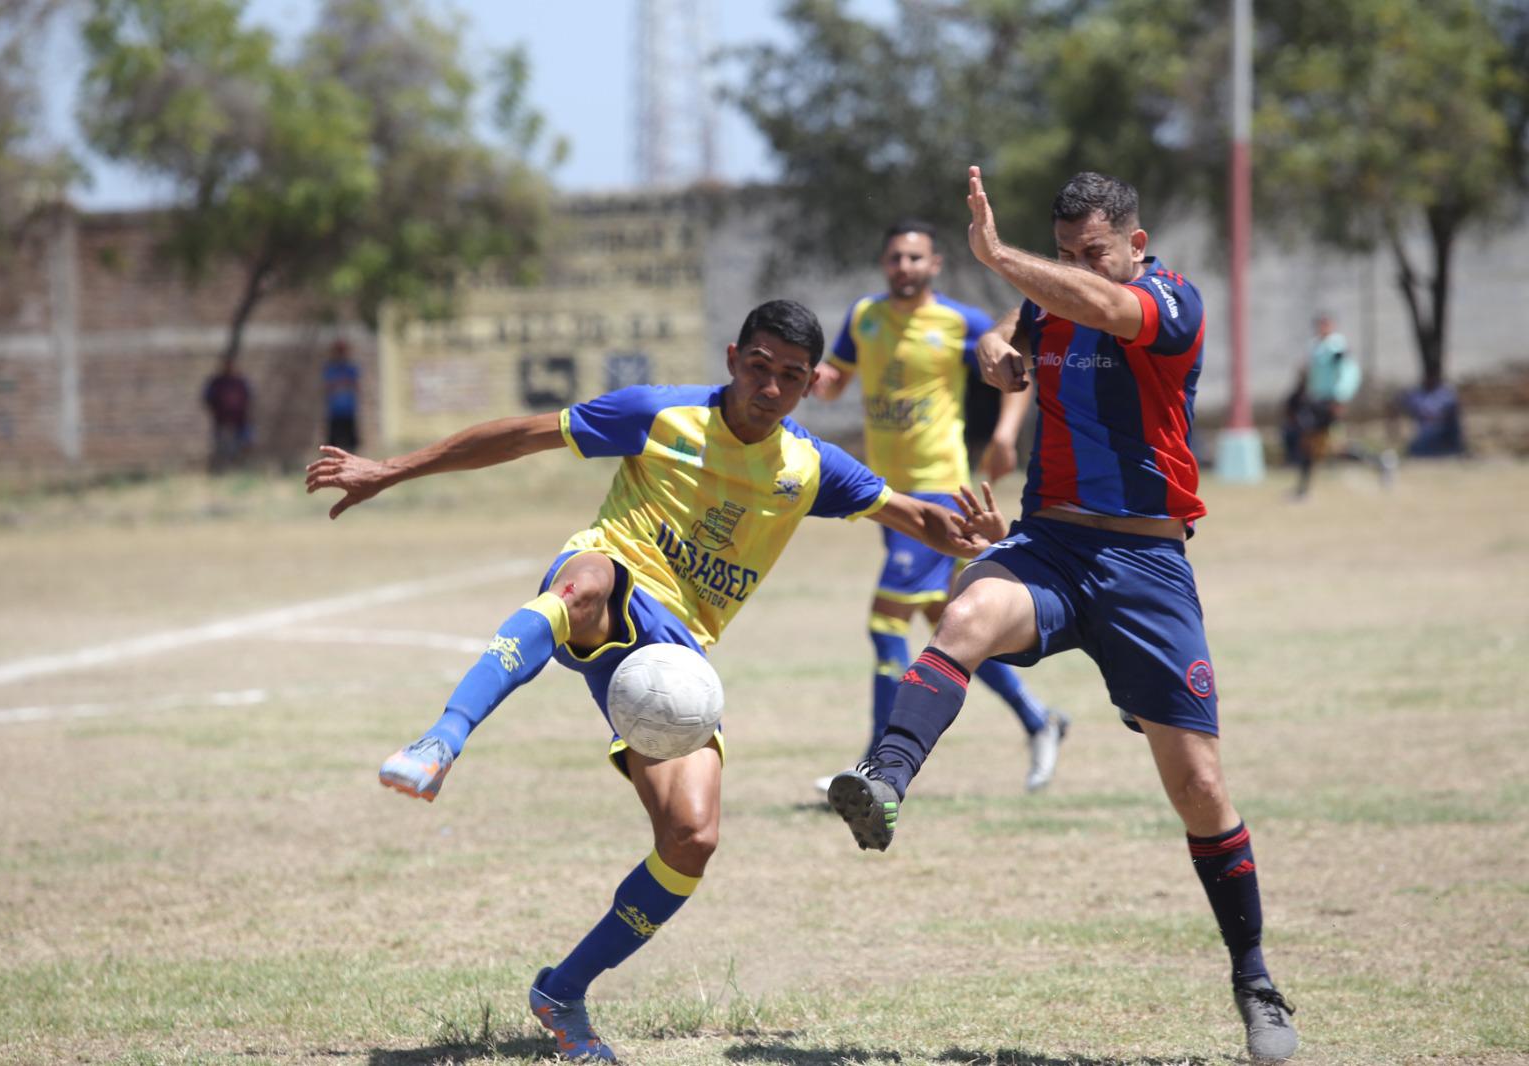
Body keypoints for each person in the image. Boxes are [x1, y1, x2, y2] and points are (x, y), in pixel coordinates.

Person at [305, 299, 1004, 1063]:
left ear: (808, 387)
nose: (768, 387)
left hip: (674, 666)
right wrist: (392, 469)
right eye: (759, 367)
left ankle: (561, 992)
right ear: (734, 356)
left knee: (692, 837)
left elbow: (909, 514)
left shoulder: (807, 469)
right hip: (615, 579)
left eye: (789, 377)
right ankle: (441, 740)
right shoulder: (656, 415)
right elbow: (521, 434)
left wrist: (972, 536)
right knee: (581, 586)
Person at [825, 169, 1299, 1063]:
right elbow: (1016, 332)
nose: (1084, 267)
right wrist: (996, 351)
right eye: (1070, 252)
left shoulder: (1171, 301)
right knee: (961, 617)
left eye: (1097, 252)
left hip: (1145, 565)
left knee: (1198, 788)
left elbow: (1103, 311)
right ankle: (882, 783)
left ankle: (1255, 980)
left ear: (1136, 244)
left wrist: (1000, 259)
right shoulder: (1051, 303)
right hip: (1048, 546)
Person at [809, 219, 1068, 794]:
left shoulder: (959, 321)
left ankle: (876, 764)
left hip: (936, 491)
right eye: (895, 257)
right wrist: (815, 378)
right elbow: (836, 381)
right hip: (883, 493)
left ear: (936, 264)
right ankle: (1039, 719)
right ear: (884, 263)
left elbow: (1014, 368)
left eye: (915, 257)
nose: (905, 267)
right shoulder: (863, 318)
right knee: (948, 626)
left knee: (885, 620)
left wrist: (1005, 436)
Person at [1290, 313, 1364, 497]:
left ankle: (1302, 490)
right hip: (1316, 401)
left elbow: (1349, 372)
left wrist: (1340, 397)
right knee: (1318, 443)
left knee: (1323, 444)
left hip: (1330, 402)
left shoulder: (1336, 348)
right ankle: (1302, 489)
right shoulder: (1316, 346)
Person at [202, 356, 252, 472]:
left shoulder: (241, 382)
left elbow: (250, 397)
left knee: (242, 445)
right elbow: (207, 397)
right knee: (222, 446)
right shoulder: (217, 383)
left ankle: (239, 468)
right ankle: (221, 469)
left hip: (240, 420)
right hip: (222, 420)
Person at [323, 339, 361, 452]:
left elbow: (355, 385)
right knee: (332, 444)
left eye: (342, 351)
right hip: (335, 412)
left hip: (348, 411)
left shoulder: (351, 368)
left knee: (351, 444)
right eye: (338, 351)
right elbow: (329, 386)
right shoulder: (330, 368)